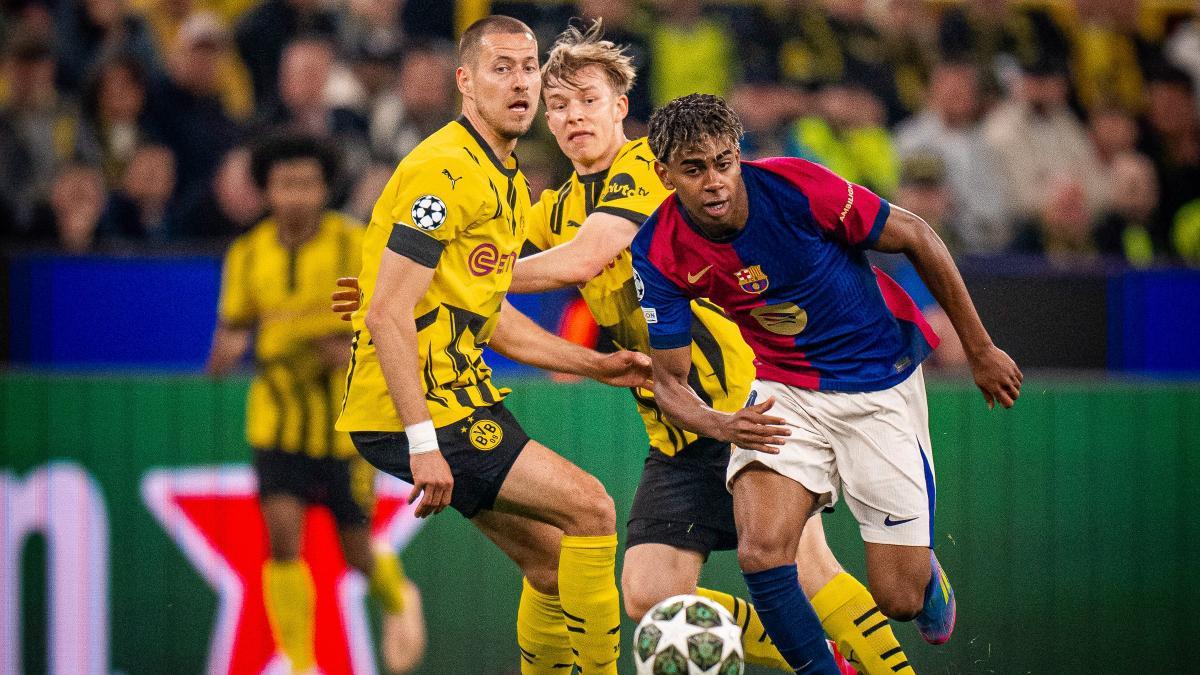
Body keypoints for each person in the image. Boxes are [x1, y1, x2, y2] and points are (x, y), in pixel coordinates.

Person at [335, 22, 905, 675]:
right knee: (646, 590)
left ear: (620, 108)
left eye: (588, 99)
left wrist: (447, 273)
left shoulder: (646, 170)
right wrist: (412, 279)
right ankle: (817, 656)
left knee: (805, 564)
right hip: (674, 428)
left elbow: (584, 256)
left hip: (744, 398)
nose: (573, 114)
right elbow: (470, 271)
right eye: (559, 103)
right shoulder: (549, 204)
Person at [630, 94, 1022, 672]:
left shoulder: (797, 187)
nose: (713, 182)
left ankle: (925, 576)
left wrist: (981, 347)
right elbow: (669, 384)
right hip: (783, 389)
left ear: (738, 155)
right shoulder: (658, 252)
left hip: (878, 385)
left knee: (899, 599)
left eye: (723, 162)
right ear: (665, 174)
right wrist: (723, 423)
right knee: (761, 551)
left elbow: (917, 235)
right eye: (693, 169)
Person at [334, 16, 650, 675]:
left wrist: (594, 363)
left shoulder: (503, 176)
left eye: (529, 66)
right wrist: (424, 444)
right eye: (500, 67)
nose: (520, 82)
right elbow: (388, 313)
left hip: (453, 394)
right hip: (421, 408)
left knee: (550, 563)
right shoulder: (444, 172)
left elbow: (492, 317)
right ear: (465, 82)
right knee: (592, 507)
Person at [205, 134, 424, 675]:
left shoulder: (354, 244)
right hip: (274, 422)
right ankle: (301, 665)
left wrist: (326, 342)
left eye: (307, 183)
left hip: (342, 427)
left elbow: (380, 323)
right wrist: (226, 354)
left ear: (325, 188)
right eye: (285, 184)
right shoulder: (247, 252)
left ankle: (401, 598)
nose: (296, 195)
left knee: (356, 551)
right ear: (267, 190)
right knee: (283, 541)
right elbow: (232, 328)